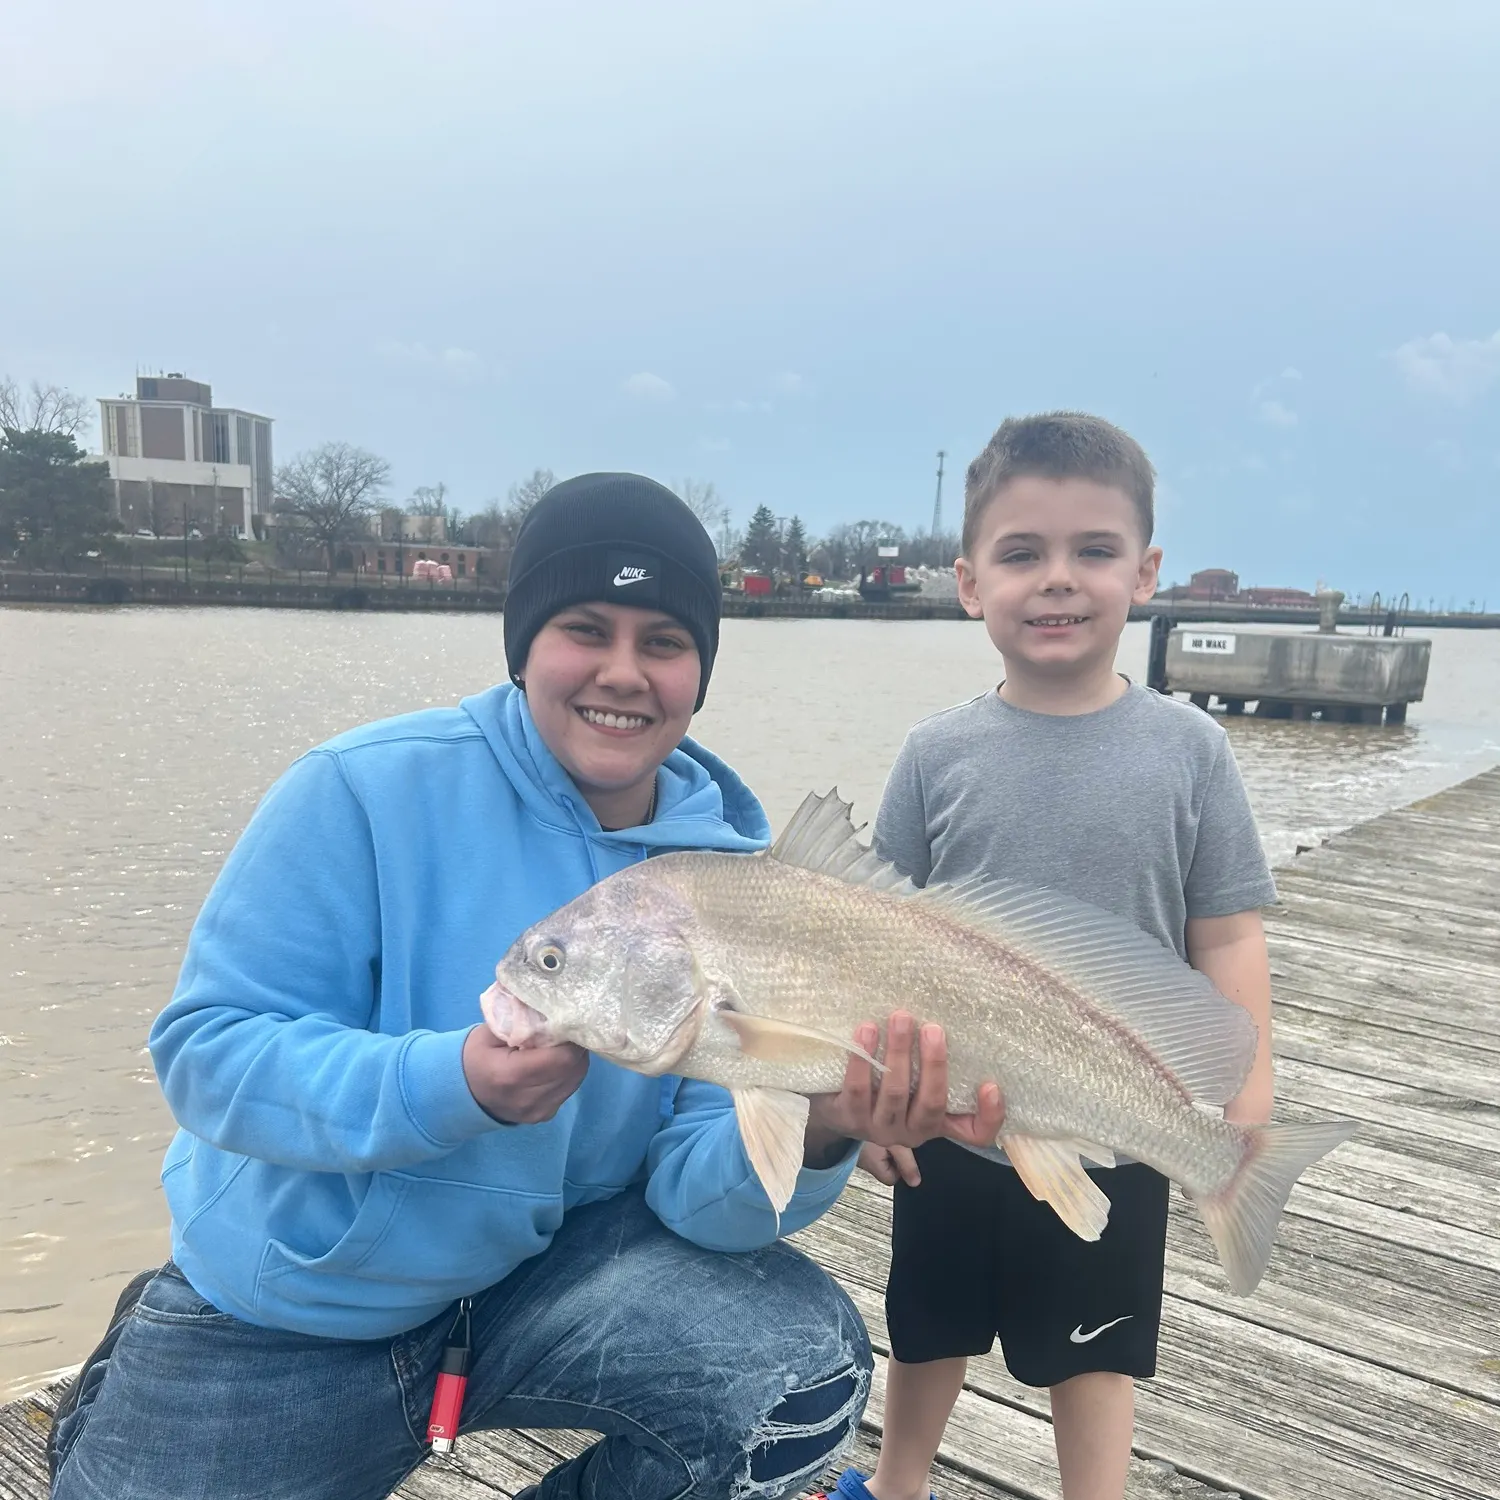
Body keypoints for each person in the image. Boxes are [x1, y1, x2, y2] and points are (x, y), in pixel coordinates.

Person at [49, 472, 1004, 1500]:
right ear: (523, 644)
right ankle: (133, 1378)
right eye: (585, 628)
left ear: (700, 671)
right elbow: (204, 1052)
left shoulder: (732, 878)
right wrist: (449, 1083)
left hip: (538, 1291)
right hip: (284, 1315)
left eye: (665, 642)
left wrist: (819, 1131)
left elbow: (697, 1196)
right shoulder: (362, 789)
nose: (624, 672)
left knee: (800, 1369)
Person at [829, 414, 1278, 1500]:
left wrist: (1248, 1099)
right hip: (949, 1115)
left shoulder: (1191, 751)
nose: (1058, 580)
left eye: (1094, 551)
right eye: (1022, 553)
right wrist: (872, 1110)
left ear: (1147, 572)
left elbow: (1226, 935)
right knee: (925, 1326)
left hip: (1117, 1118)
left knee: (1097, 1349)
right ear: (970, 581)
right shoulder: (935, 752)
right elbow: (869, 939)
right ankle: (897, 1486)